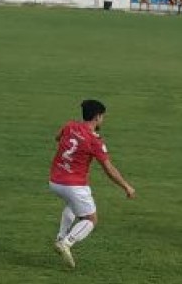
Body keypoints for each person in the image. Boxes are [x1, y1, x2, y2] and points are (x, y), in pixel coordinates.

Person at [50, 100, 136, 268]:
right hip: (74, 185)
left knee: (71, 205)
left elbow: (57, 138)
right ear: (97, 117)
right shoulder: (95, 141)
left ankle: (61, 236)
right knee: (90, 219)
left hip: (55, 181)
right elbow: (109, 169)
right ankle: (66, 242)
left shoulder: (70, 125)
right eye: (103, 116)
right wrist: (126, 186)